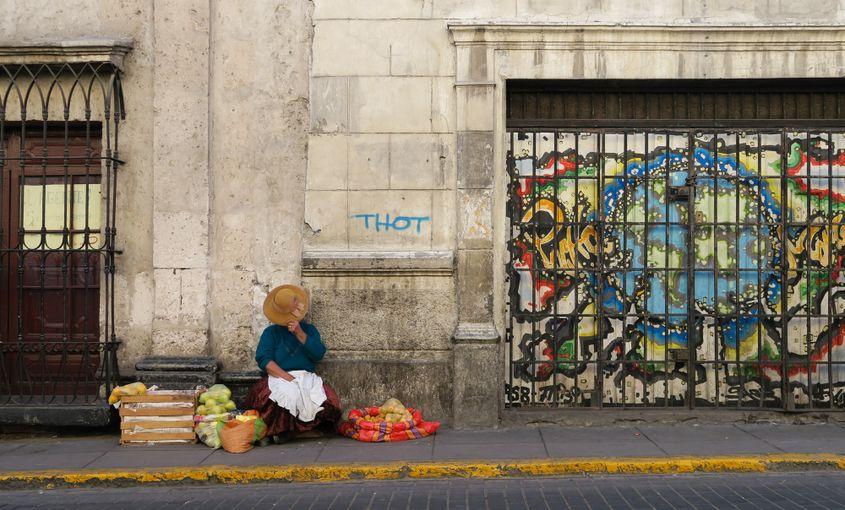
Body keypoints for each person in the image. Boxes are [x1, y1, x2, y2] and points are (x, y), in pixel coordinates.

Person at [244, 284, 341, 442]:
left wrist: (299, 333)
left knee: (329, 400)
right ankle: (283, 431)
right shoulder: (271, 333)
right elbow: (264, 359)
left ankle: (303, 431)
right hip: (279, 376)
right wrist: (286, 377)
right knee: (276, 398)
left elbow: (318, 354)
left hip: (306, 376)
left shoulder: (309, 330)